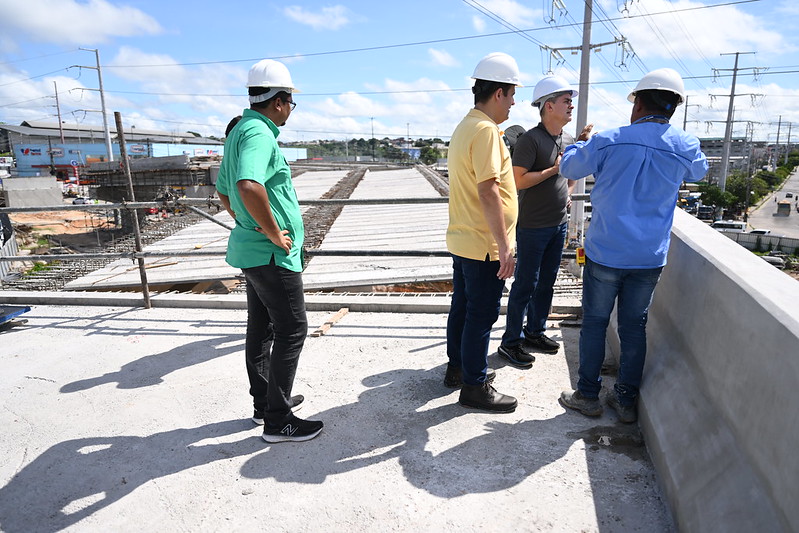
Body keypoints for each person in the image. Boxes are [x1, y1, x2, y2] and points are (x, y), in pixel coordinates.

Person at [557, 68, 708, 423]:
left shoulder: (609, 140)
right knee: (634, 327)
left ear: (638, 103)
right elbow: (698, 172)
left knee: (594, 323)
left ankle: (588, 396)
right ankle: (625, 402)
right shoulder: (685, 145)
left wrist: (580, 141)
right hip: (648, 256)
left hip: (606, 251)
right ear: (673, 108)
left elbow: (569, 166)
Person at [216, 59, 323, 443]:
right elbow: (247, 185)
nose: (291, 108)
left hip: (252, 250)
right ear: (279, 101)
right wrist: (273, 231)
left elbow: (224, 192)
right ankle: (279, 421)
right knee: (293, 328)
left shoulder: (240, 130)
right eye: (291, 101)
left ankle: (266, 402)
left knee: (261, 327)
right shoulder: (260, 133)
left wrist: (249, 225)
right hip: (271, 254)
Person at [498, 75, 592, 368]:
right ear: (548, 106)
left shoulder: (565, 139)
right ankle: (510, 342)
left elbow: (571, 173)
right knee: (526, 283)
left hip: (557, 223)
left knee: (547, 283)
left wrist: (568, 192)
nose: (571, 106)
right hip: (532, 226)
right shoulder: (530, 140)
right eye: (566, 101)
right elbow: (519, 180)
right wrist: (554, 171)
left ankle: (534, 332)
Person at [445, 52, 521, 413]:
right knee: (481, 316)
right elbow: (489, 189)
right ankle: (475, 387)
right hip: (484, 244)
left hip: (464, 238)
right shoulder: (487, 131)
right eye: (512, 94)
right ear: (498, 94)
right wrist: (505, 248)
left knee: (462, 307)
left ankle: (458, 368)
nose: (514, 102)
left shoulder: (464, 127)